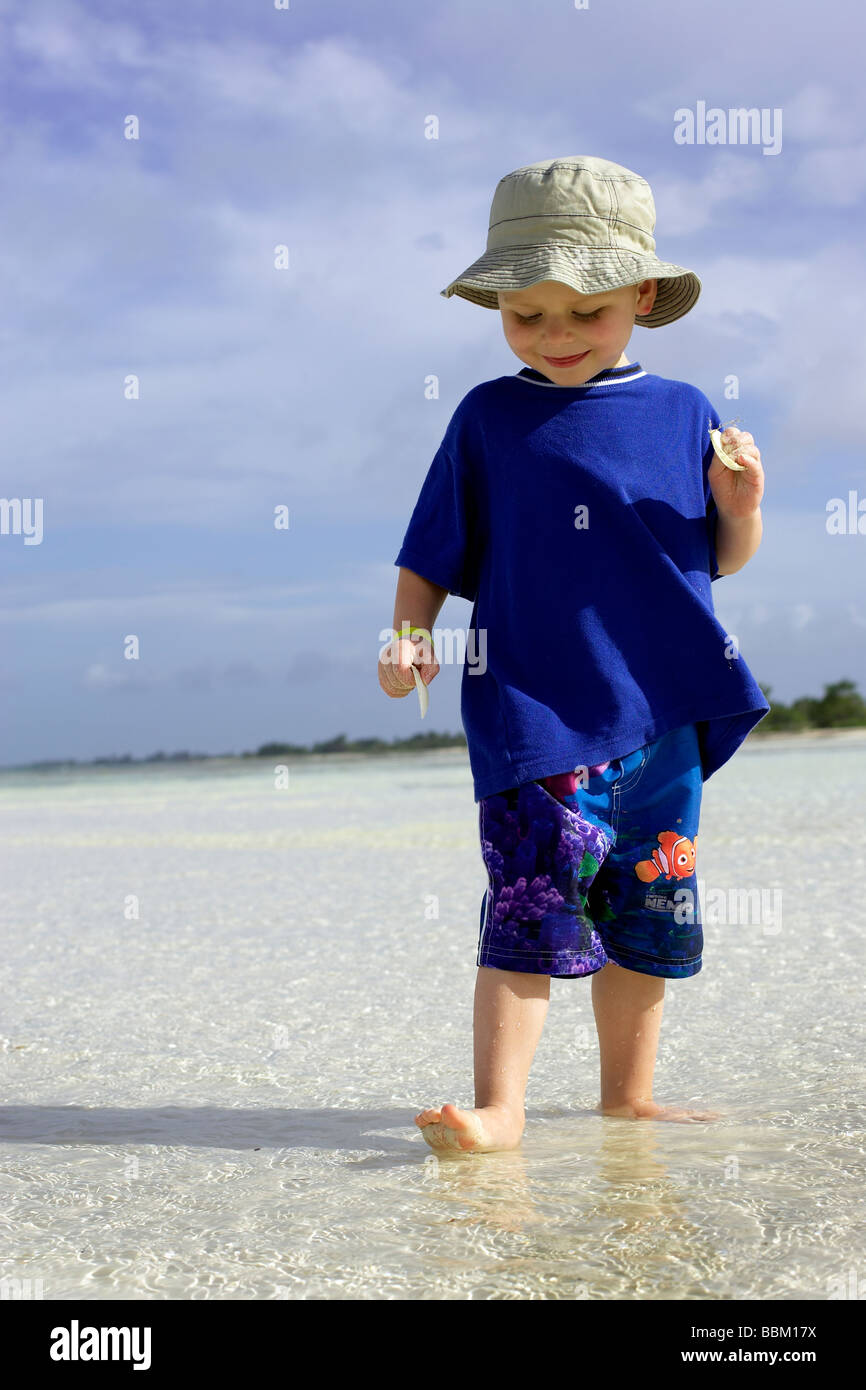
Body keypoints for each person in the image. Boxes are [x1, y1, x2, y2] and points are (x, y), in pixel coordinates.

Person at [377, 156, 768, 1150]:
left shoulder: (684, 412)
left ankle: (624, 1095)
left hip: (662, 711)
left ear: (638, 294)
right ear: (496, 306)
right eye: (525, 314)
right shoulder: (487, 418)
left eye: (583, 311)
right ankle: (501, 1108)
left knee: (648, 909)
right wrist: (407, 634)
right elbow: (430, 548)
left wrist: (741, 508)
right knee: (528, 906)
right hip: (535, 709)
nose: (553, 336)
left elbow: (711, 562)